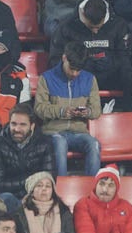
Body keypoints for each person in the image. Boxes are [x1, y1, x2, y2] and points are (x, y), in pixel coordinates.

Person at [52, 0, 132, 103]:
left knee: (131, 76)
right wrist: (80, 64)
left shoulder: (118, 24)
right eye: (91, 27)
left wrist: (112, 62)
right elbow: (55, 59)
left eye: (98, 27)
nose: (95, 32)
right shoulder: (67, 26)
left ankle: (130, 116)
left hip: (111, 73)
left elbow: (125, 56)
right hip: (80, 75)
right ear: (83, 15)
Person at [35, 43, 102, 177]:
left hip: (79, 132)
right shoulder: (46, 78)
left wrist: (86, 112)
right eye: (72, 69)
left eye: (78, 70)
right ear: (64, 58)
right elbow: (39, 109)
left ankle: (92, 191)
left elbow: (96, 110)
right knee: (60, 143)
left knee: (94, 144)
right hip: (53, 131)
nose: (75, 74)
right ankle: (60, 189)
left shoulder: (89, 79)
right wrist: (61, 111)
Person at [0, 104, 52, 203]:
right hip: (10, 196)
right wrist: (29, 180)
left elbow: (48, 177)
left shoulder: (44, 144)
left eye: (22, 125)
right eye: (14, 124)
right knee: (6, 198)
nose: (17, 129)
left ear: (32, 126)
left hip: (35, 195)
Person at [74, 165, 132, 233]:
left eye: (111, 185)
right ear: (96, 185)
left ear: (117, 189)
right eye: (102, 184)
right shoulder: (83, 205)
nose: (105, 189)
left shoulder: (128, 208)